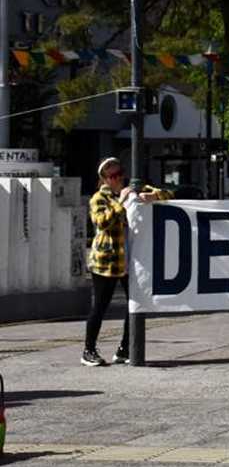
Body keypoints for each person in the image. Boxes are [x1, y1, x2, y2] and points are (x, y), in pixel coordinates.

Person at [83, 157, 170, 366]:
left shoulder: (133, 190)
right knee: (100, 307)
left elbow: (168, 195)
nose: (119, 178)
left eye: (120, 172)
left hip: (130, 260)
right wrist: (122, 201)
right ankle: (88, 349)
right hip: (107, 261)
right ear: (104, 179)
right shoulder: (99, 198)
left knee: (136, 304)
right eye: (113, 175)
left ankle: (124, 348)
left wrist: (153, 195)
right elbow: (102, 222)